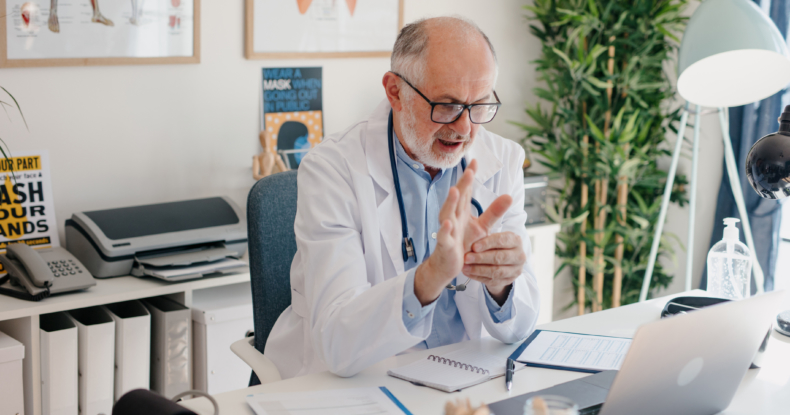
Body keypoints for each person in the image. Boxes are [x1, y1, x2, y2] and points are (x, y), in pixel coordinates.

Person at [264, 16, 540, 379]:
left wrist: (500, 283)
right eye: (446, 105)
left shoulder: (503, 161)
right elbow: (337, 343)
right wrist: (429, 278)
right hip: (363, 382)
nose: (464, 128)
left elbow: (519, 328)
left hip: (463, 376)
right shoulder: (332, 169)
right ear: (395, 91)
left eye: (479, 105)